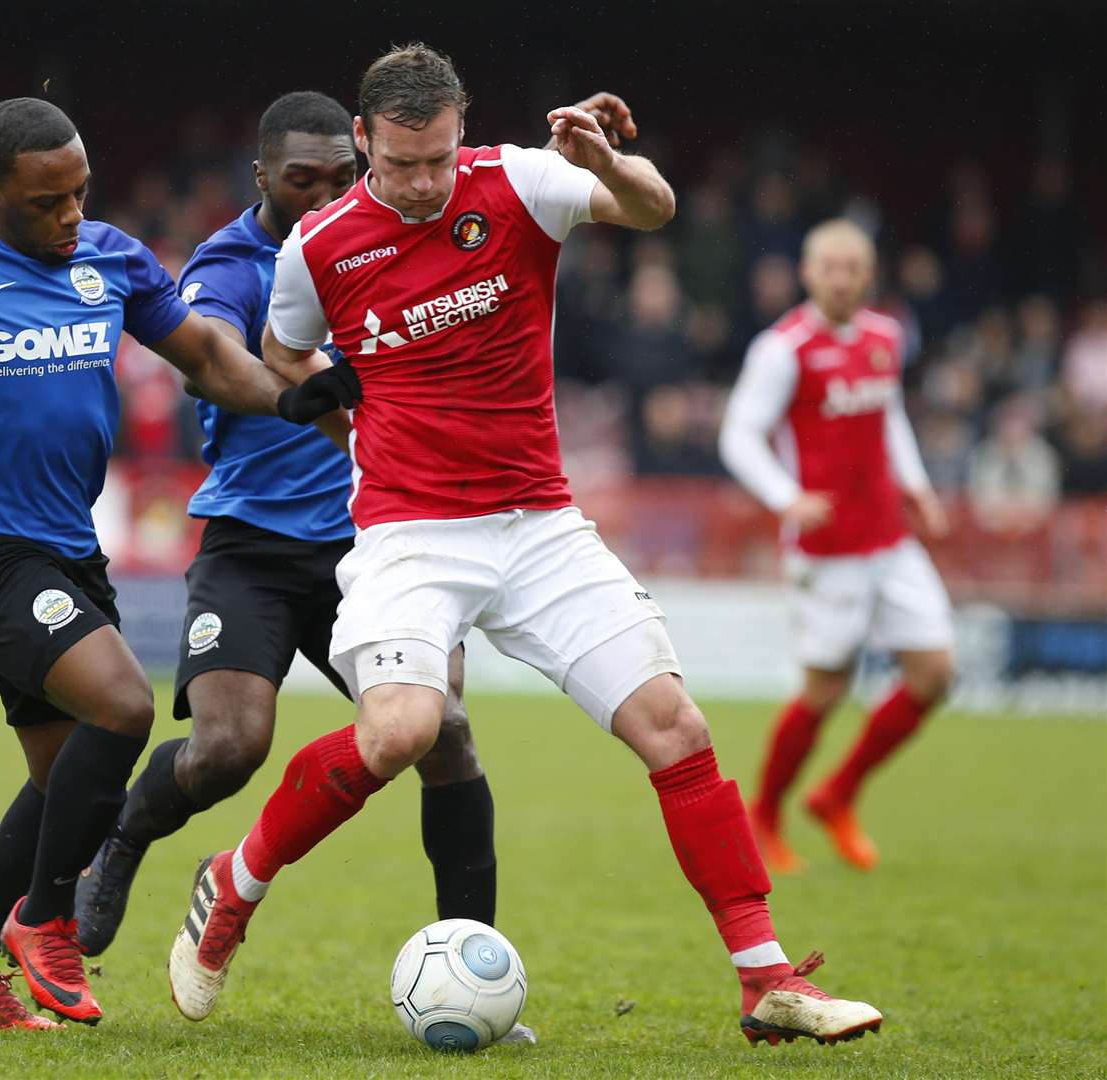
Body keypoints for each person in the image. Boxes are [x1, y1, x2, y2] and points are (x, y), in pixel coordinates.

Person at [164, 44, 883, 1047]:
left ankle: (763, 979)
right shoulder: (318, 246)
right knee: (401, 732)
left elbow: (654, 209)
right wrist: (335, 413)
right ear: (364, 139)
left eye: (439, 159)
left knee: (675, 728)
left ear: (463, 130)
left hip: (540, 524)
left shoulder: (524, 180)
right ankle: (233, 886)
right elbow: (285, 352)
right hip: (409, 531)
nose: (423, 184)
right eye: (403, 163)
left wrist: (604, 164)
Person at [0, 97, 354, 1030]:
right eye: (47, 202)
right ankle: (44, 921)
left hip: (65, 550)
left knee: (65, 790)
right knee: (126, 706)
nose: (69, 219)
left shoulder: (109, 255)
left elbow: (208, 354)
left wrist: (293, 403)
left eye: (80, 195)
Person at [719, 219, 956, 873]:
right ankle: (764, 815)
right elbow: (738, 434)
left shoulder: (885, 334)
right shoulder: (783, 348)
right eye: (832, 266)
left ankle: (838, 794)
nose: (844, 278)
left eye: (855, 267)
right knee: (826, 688)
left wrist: (916, 485)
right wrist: (785, 497)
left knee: (935, 674)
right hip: (827, 549)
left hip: (890, 537)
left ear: (868, 272)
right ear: (809, 272)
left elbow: (891, 415)